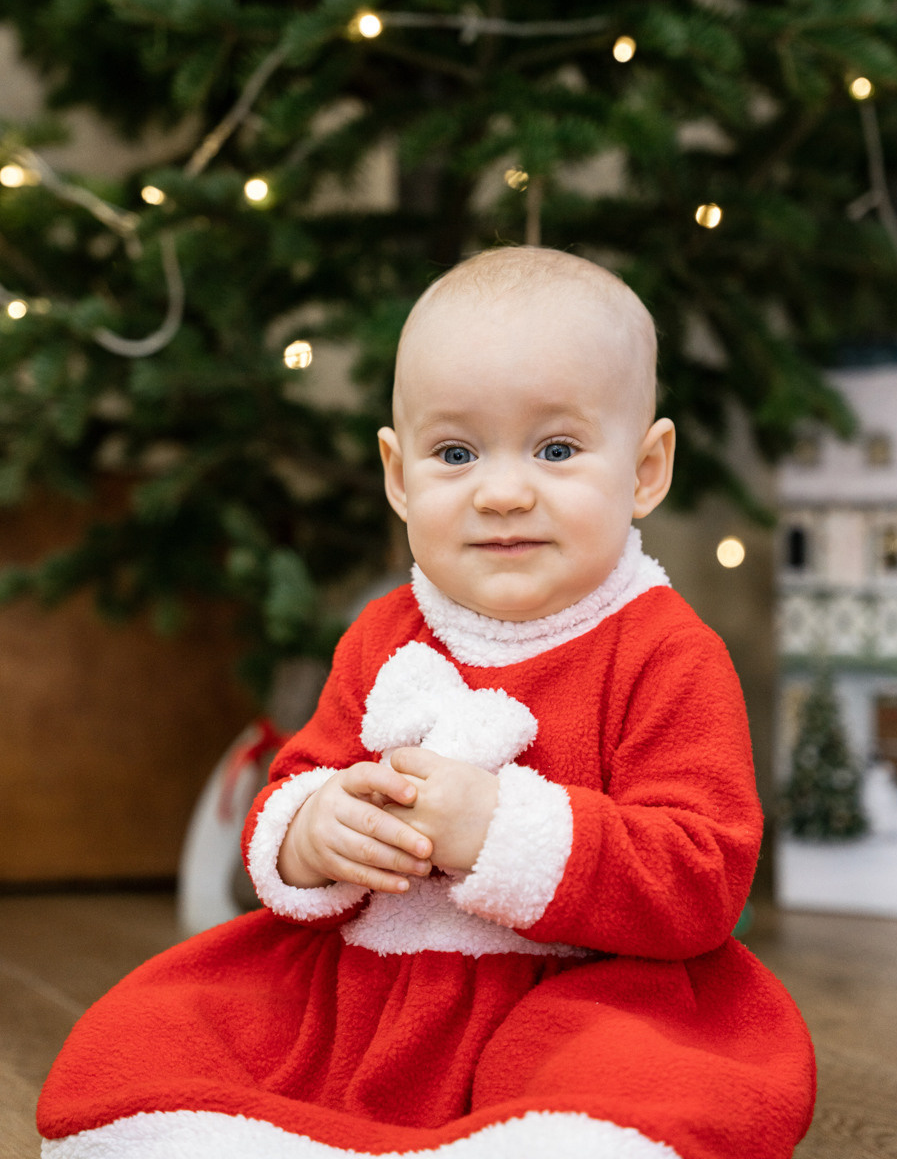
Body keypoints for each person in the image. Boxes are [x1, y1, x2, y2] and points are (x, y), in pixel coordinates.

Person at [38, 246, 816, 1159]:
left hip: (576, 994)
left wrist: (501, 830)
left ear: (646, 469)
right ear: (400, 475)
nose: (502, 491)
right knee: (156, 1035)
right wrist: (313, 833)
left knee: (637, 1086)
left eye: (557, 448)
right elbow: (298, 781)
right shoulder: (383, 632)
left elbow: (701, 880)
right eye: (455, 453)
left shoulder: (667, 650)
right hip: (369, 993)